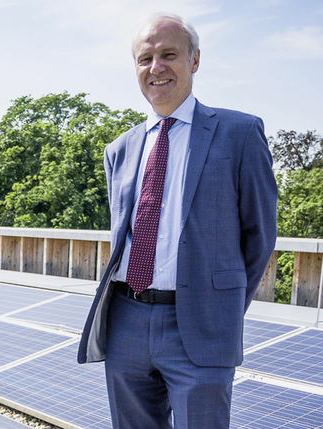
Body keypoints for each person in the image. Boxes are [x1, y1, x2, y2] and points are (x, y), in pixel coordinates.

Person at [77, 13, 278, 428]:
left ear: (195, 60)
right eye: (144, 58)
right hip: (126, 323)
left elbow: (259, 238)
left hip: (201, 326)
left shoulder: (239, 134)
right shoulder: (121, 149)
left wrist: (219, 307)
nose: (156, 67)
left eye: (169, 55)